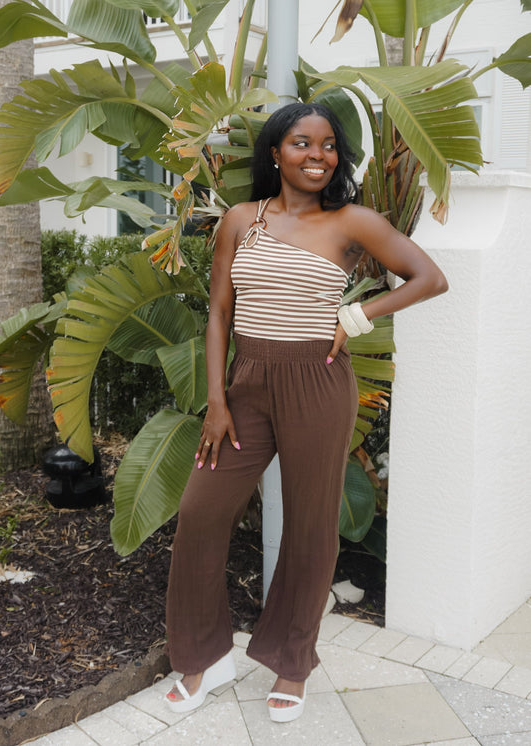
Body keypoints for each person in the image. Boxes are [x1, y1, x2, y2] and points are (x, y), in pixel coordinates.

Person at [164, 102, 448, 723]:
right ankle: (206, 655)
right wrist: (217, 400)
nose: (317, 155)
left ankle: (293, 663)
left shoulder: (353, 220)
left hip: (318, 384)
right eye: (301, 143)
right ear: (275, 153)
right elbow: (218, 312)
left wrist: (358, 315)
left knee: (312, 524)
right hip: (247, 384)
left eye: (327, 146)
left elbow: (428, 276)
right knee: (200, 512)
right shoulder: (241, 220)